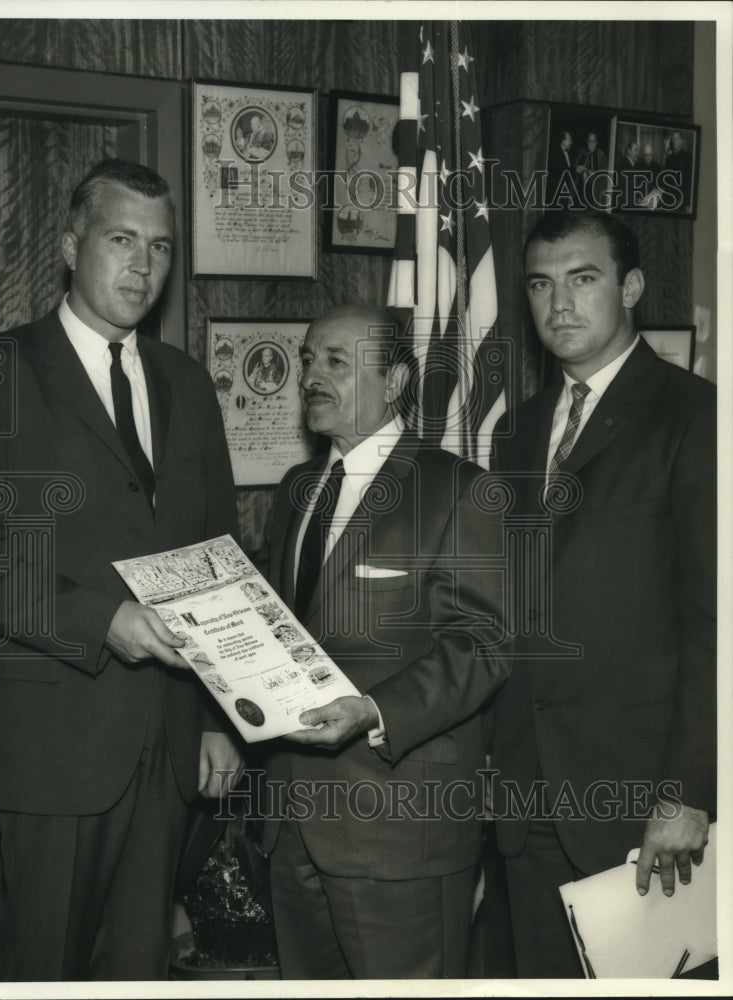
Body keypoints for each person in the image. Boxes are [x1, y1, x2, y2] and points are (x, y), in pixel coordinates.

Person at [0, 159, 244, 981]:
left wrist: (223, 712)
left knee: (141, 970)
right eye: (122, 240)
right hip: (55, 750)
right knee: (42, 969)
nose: (143, 266)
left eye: (159, 246)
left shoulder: (186, 383)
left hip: (172, 745)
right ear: (69, 244)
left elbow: (216, 561)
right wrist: (102, 620)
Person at [490, 210, 716, 978]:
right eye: (541, 285)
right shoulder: (516, 433)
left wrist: (687, 795)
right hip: (526, 800)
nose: (559, 304)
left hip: (640, 799)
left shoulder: (695, 417)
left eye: (582, 280)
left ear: (631, 288)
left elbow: (712, 622)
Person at [261, 304, 510, 979]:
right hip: (290, 824)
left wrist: (376, 710)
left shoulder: (458, 490)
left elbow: (483, 645)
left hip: (400, 829)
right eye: (309, 360)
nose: (312, 375)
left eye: (336, 362)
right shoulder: (294, 491)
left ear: (395, 379)